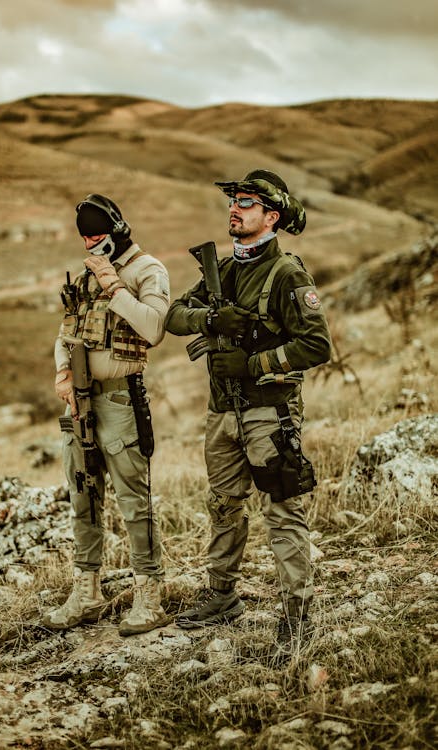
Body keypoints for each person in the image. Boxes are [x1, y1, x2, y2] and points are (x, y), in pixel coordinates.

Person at [164, 169, 331, 662]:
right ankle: (221, 596)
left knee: (282, 510)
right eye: (233, 201)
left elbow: (317, 344)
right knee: (223, 506)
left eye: (247, 202)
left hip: (269, 413)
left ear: (271, 216)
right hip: (221, 412)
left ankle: (297, 614)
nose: (234, 209)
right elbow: (175, 315)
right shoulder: (225, 270)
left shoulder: (287, 274)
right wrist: (211, 319)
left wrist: (255, 362)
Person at [43, 193, 170, 636]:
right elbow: (66, 333)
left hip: (119, 402)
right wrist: (62, 373)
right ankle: (87, 591)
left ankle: (149, 593)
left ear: (116, 232)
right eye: (84, 238)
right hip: (79, 401)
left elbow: (154, 328)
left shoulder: (147, 270)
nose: (90, 245)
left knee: (133, 501)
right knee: (82, 493)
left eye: (97, 235)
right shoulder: (84, 276)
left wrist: (114, 285)